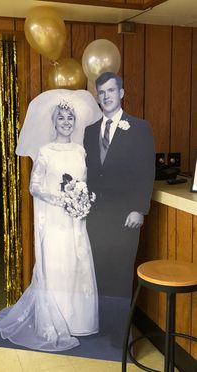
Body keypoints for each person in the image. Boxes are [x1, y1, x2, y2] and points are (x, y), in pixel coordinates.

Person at [0, 89, 103, 351]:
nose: (66, 122)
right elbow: (35, 186)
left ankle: (78, 323)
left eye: (70, 118)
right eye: (61, 118)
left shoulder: (79, 151)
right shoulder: (45, 151)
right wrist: (62, 197)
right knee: (57, 266)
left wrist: (80, 199)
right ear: (53, 122)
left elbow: (83, 182)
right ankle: (54, 323)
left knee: (77, 266)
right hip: (54, 220)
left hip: (75, 220)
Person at [84, 72, 155, 338]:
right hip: (95, 217)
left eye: (111, 91)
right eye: (101, 93)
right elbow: (88, 173)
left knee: (121, 275)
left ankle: (118, 338)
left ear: (122, 93)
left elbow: (146, 171)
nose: (106, 97)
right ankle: (100, 329)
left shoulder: (139, 128)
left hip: (126, 217)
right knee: (98, 273)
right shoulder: (90, 132)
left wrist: (140, 208)